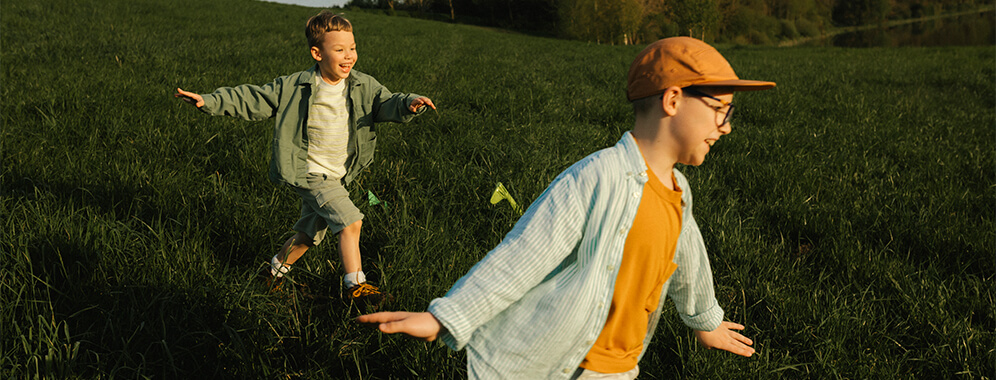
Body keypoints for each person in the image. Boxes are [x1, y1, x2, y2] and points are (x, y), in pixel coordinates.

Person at [358, 36, 775, 378]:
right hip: (567, 363)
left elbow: (688, 256)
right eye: (720, 110)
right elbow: (523, 254)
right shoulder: (597, 178)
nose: (727, 125)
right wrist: (447, 318)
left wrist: (705, 320)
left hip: (622, 367)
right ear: (672, 101)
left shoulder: (677, 189)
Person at [174, 11, 435, 302]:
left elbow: (386, 103)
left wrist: (409, 103)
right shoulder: (294, 86)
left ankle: (273, 272)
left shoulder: (363, 85)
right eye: (339, 50)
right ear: (317, 52)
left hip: (338, 174)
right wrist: (209, 101)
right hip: (308, 172)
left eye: (353, 48)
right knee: (351, 222)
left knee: (309, 236)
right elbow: (253, 97)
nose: (349, 56)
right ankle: (356, 286)